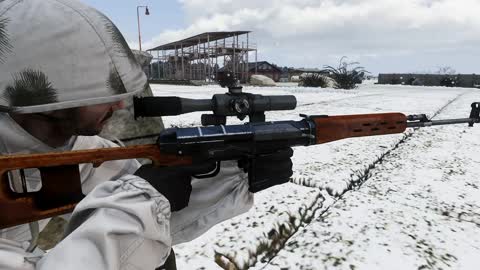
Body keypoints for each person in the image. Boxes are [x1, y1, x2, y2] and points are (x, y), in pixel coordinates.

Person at [0, 0, 293, 269]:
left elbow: (160, 215)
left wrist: (232, 173)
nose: (118, 104)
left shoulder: (75, 150)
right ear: (48, 98)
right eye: (101, 93)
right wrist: (143, 201)